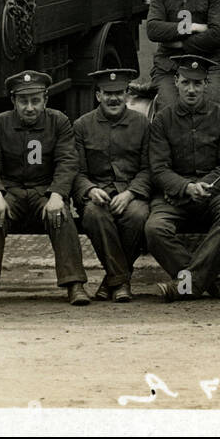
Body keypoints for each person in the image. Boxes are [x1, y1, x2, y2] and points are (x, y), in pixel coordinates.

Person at [0, 70, 88, 307]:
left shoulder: (59, 122)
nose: (29, 107)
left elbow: (67, 161)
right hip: (10, 191)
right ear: (13, 101)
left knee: (61, 214)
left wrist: (57, 195)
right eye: (23, 101)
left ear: (45, 99)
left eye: (35, 101)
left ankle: (74, 284)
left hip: (44, 190)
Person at [146, 56, 220, 302]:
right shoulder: (163, 120)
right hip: (175, 194)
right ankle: (212, 283)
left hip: (214, 192)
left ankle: (188, 285)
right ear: (176, 81)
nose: (191, 89)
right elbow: (158, 168)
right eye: (186, 82)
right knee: (155, 228)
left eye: (197, 84)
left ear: (206, 85)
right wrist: (186, 187)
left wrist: (204, 185)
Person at [72, 68, 151, 303]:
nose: (114, 98)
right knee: (96, 215)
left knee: (137, 215)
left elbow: (149, 168)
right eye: (108, 93)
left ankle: (112, 281)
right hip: (97, 194)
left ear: (127, 94)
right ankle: (121, 281)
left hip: (131, 192)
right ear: (98, 96)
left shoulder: (142, 124)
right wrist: (89, 190)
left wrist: (130, 194)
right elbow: (76, 171)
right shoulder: (82, 126)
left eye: (119, 92)